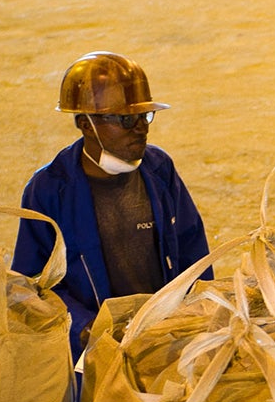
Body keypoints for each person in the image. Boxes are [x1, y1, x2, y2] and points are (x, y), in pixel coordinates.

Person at [13, 51, 211, 349]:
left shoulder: (159, 169)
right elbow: (32, 283)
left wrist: (199, 309)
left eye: (145, 116)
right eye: (125, 119)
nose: (141, 128)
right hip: (93, 346)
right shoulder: (50, 189)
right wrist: (86, 326)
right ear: (85, 123)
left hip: (163, 334)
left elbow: (192, 250)